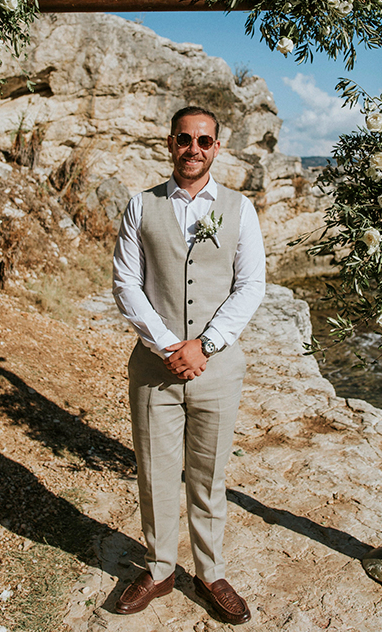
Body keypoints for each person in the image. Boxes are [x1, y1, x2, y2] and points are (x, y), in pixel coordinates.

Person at [111, 105, 266, 624]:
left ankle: (210, 570)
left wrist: (206, 344)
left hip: (217, 368)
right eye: (184, 139)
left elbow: (251, 286)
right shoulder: (141, 206)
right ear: (170, 143)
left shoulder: (241, 210)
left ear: (217, 148)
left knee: (209, 474)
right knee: (154, 472)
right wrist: (167, 345)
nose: (193, 149)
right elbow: (126, 283)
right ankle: (158, 568)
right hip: (155, 368)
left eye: (204, 140)